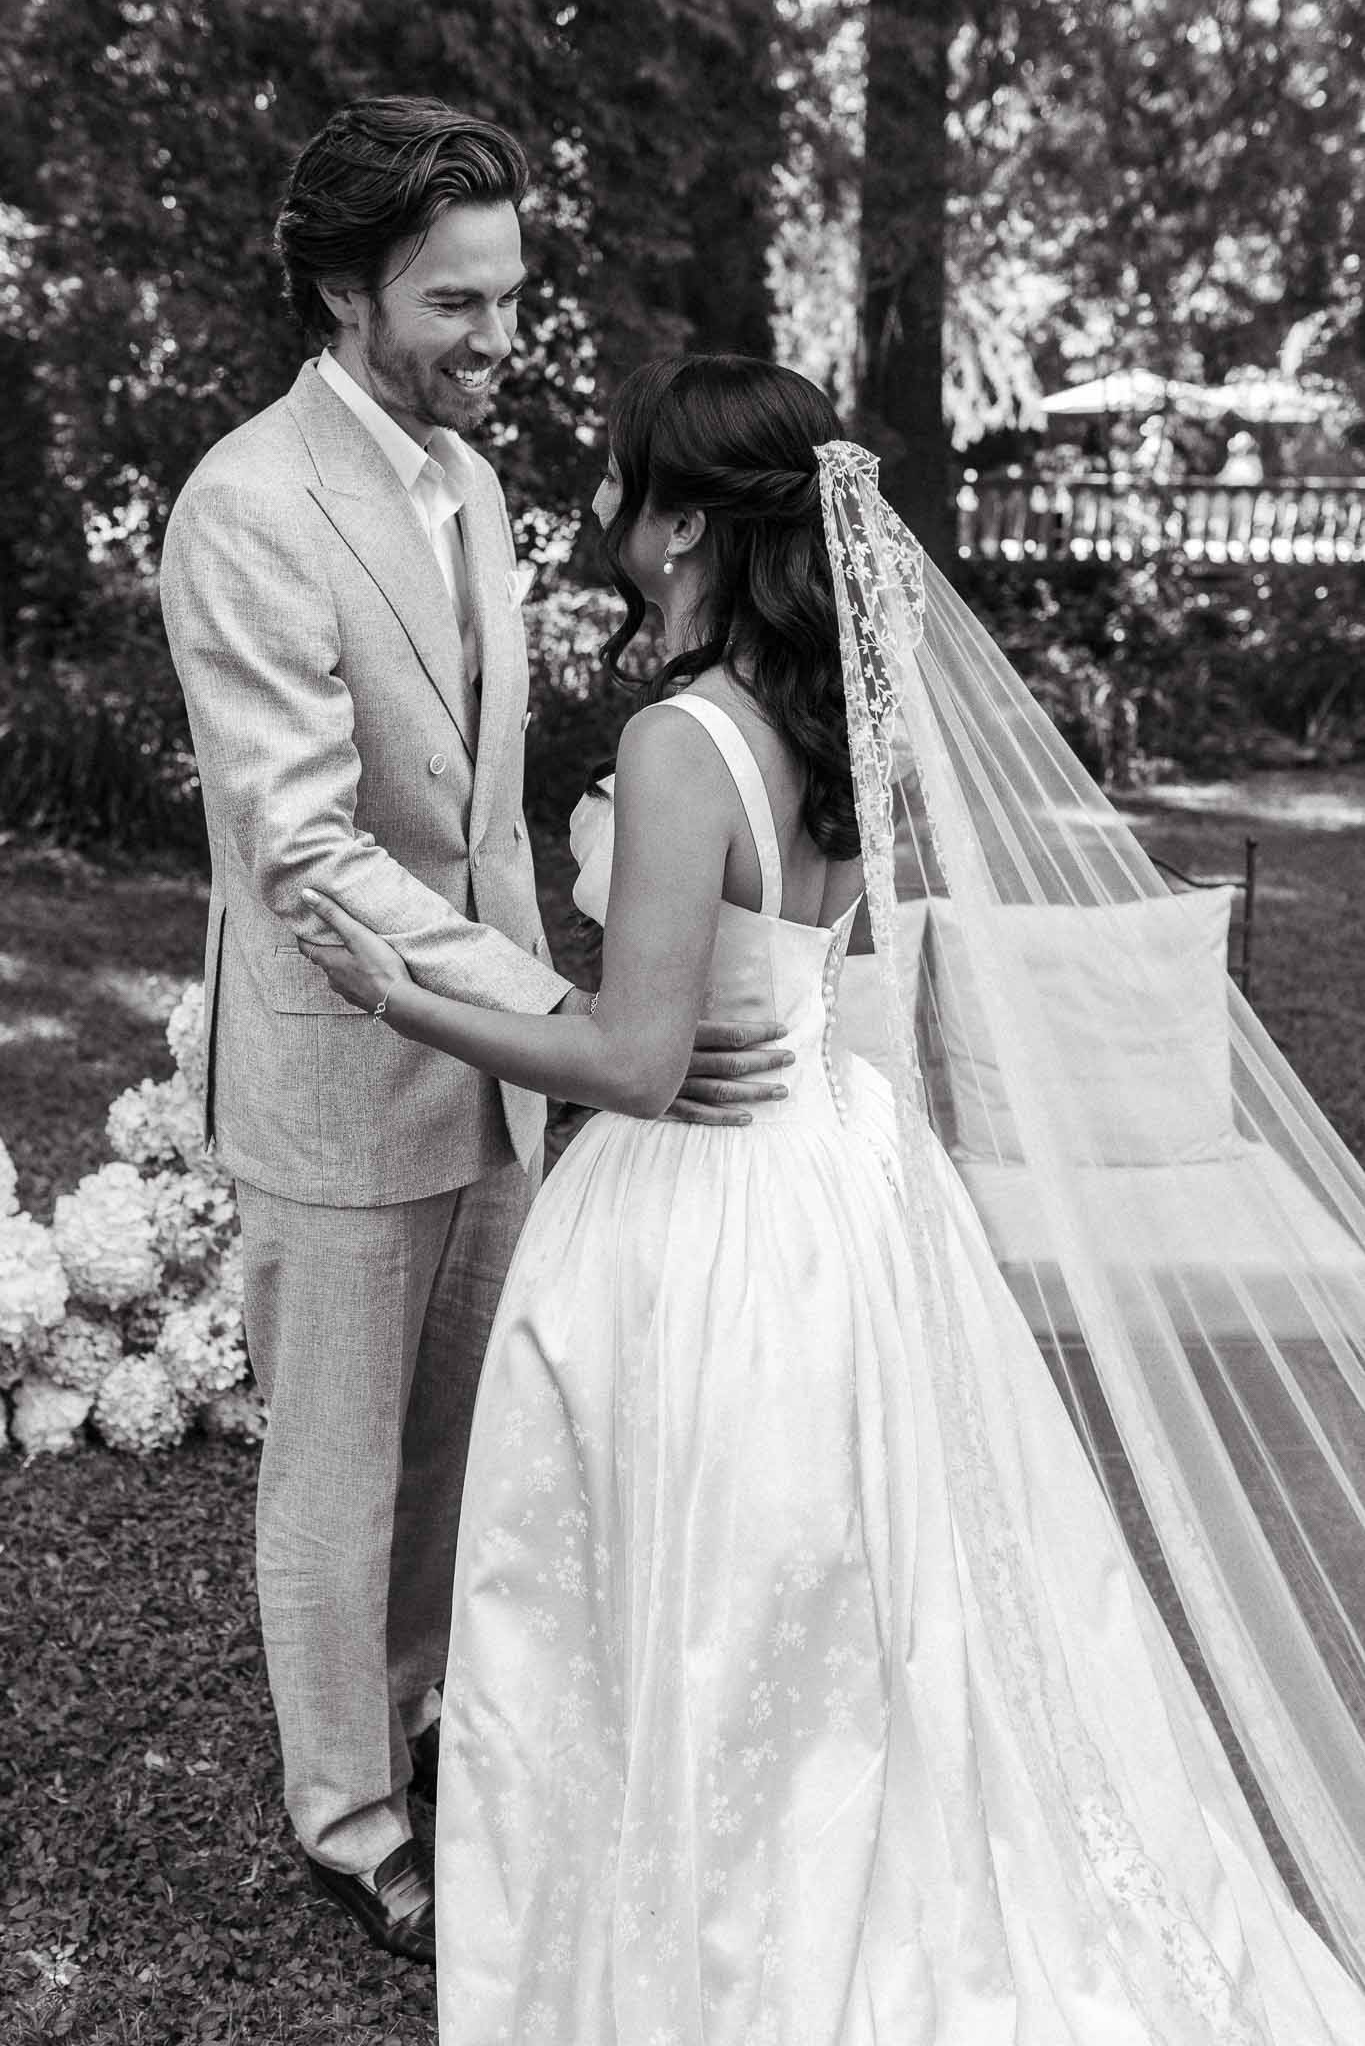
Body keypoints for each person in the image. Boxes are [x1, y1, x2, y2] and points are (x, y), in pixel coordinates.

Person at [303, 353, 1365, 2040]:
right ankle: (814, 1843)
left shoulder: (676, 742)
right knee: (842, 1559)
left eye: (618, 482)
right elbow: (771, 987)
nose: (593, 509)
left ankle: (710, 1895)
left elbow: (644, 1062)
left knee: (700, 1564)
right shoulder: (827, 715)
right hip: (832, 1177)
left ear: (682, 526)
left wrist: (399, 995)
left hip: (704, 1211)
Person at [158, 105, 785, 1969]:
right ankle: (350, 1822)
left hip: (493, 1077)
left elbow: (486, 806)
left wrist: (569, 1002)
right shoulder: (248, 504)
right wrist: (574, 1017)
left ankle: (418, 1719)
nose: (500, 338)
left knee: (456, 1445)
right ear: (345, 291)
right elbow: (304, 840)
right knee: (337, 1474)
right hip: (338, 1069)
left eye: (510, 296)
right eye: (456, 301)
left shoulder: (476, 486)